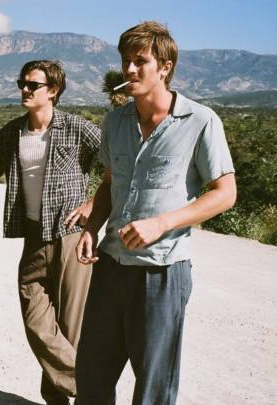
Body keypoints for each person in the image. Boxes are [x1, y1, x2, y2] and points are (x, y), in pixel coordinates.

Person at [74, 21, 237, 405]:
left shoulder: (200, 121)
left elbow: (225, 194)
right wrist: (91, 227)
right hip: (110, 267)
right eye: (125, 61)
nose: (129, 69)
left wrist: (163, 222)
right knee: (91, 379)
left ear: (165, 67)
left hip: (162, 273)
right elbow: (109, 183)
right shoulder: (115, 122)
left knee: (153, 390)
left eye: (140, 61)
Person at [0, 60, 101, 405]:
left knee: (70, 327)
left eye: (33, 85)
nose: (25, 90)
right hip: (33, 236)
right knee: (36, 320)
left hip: (71, 236)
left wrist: (93, 204)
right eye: (22, 83)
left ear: (53, 91)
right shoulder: (12, 133)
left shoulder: (77, 128)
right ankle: (90, 386)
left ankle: (59, 399)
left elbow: (118, 163)